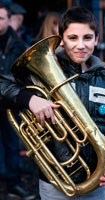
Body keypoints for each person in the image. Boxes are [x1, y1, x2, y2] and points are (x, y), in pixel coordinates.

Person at [0, 6, 105, 200]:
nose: (81, 45)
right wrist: (30, 99)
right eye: (72, 38)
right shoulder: (40, 75)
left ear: (96, 38)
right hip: (54, 182)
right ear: (61, 39)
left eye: (87, 38)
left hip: (96, 182)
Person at [0, 3, 35, 200]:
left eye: (1, 18)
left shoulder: (20, 44)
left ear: (9, 20)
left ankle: (13, 184)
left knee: (12, 146)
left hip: (10, 103)